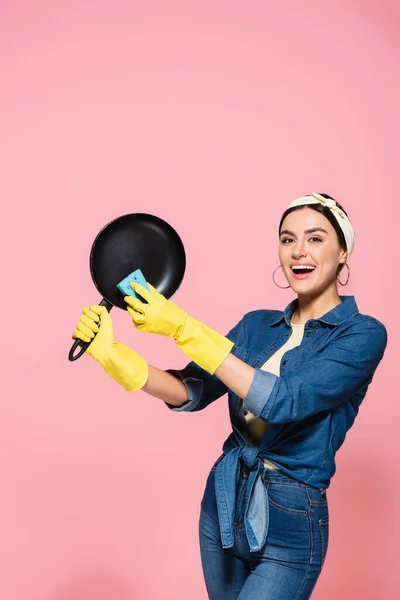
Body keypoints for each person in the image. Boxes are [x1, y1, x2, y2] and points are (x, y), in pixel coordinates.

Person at [72, 193, 388, 599]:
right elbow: (193, 389)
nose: (298, 251)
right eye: (287, 239)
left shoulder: (361, 335)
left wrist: (183, 328)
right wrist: (114, 358)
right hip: (223, 501)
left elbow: (282, 400)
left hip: (292, 518)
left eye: (315, 239)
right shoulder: (257, 326)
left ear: (343, 251)